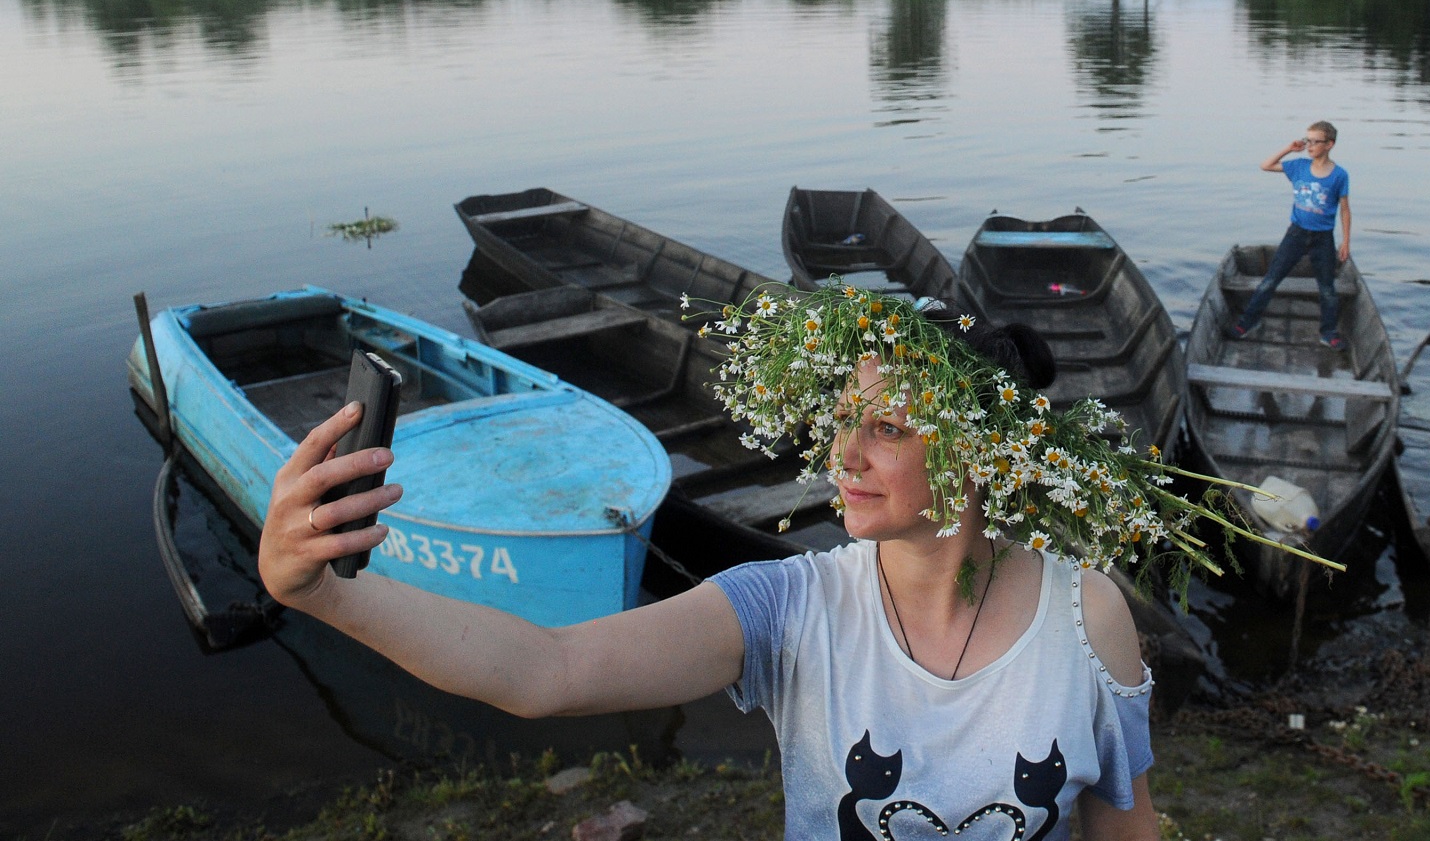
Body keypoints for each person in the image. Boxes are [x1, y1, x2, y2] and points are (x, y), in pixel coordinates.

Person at [260, 293, 1168, 840]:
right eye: (844, 418)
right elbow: (548, 670)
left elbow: (1124, 827)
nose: (842, 453)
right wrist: (326, 595)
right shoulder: (789, 608)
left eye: (886, 427)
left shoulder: (1086, 618)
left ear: (977, 453)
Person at [1231, 120, 1352, 350]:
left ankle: (1328, 332)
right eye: (1308, 141)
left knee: (1327, 288)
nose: (1310, 146)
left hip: (1323, 238)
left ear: (1329, 144)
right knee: (1270, 280)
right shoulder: (1298, 166)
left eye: (1316, 142)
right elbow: (1266, 165)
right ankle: (1248, 322)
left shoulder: (1339, 175)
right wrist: (1289, 148)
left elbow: (1345, 210)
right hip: (1296, 234)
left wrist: (1345, 242)